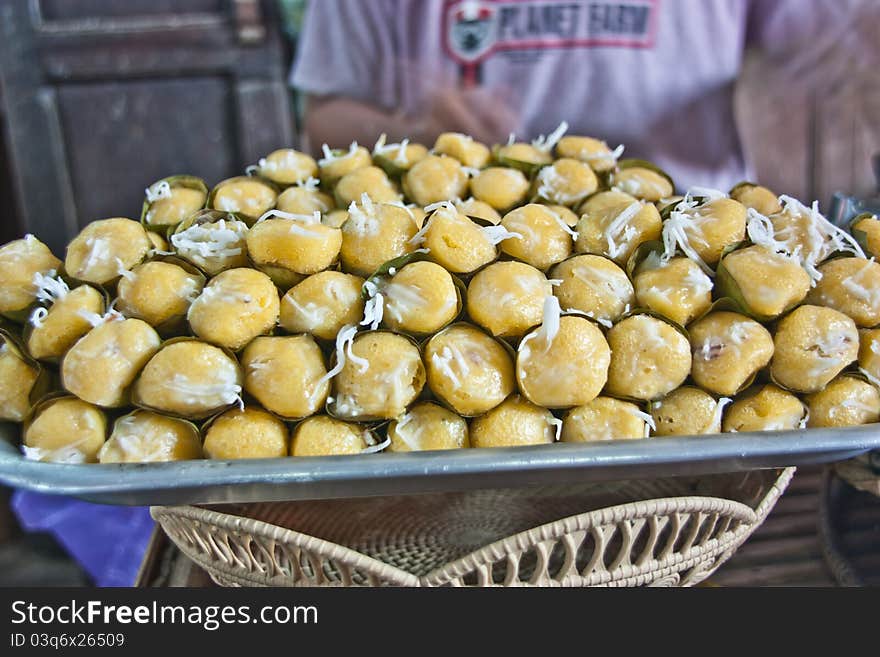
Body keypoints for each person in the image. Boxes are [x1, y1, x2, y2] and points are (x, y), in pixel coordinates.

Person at [291, 0, 874, 192]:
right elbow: (323, 122)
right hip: (454, 268)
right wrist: (420, 131)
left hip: (691, 254)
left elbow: (843, 48)